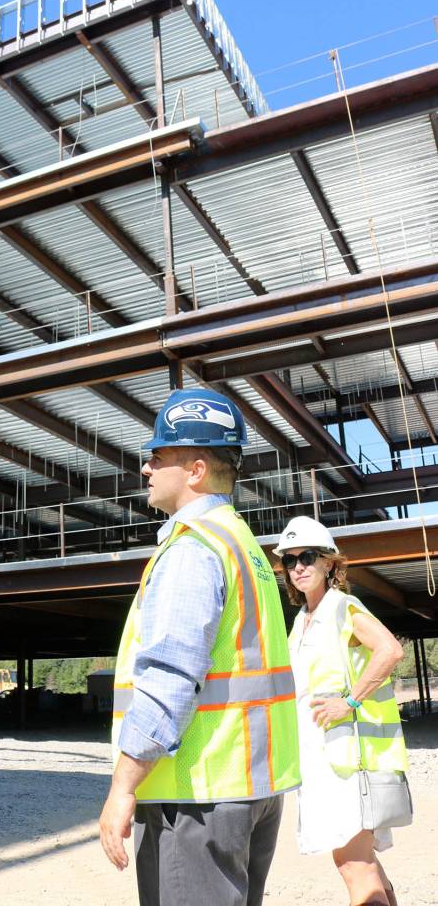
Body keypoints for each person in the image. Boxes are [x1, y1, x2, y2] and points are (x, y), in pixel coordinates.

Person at [99, 388, 300, 906]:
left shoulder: (193, 550)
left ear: (194, 468)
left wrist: (123, 787)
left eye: (157, 456)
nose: (146, 469)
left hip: (197, 793)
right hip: (251, 786)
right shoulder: (243, 544)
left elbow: (170, 678)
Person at [274, 516, 408, 906]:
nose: (298, 566)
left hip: (348, 762)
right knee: (365, 866)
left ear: (330, 563)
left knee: (353, 865)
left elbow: (390, 650)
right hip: (322, 760)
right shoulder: (301, 620)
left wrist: (348, 701)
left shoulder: (342, 606)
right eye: (290, 559)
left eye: (308, 556)